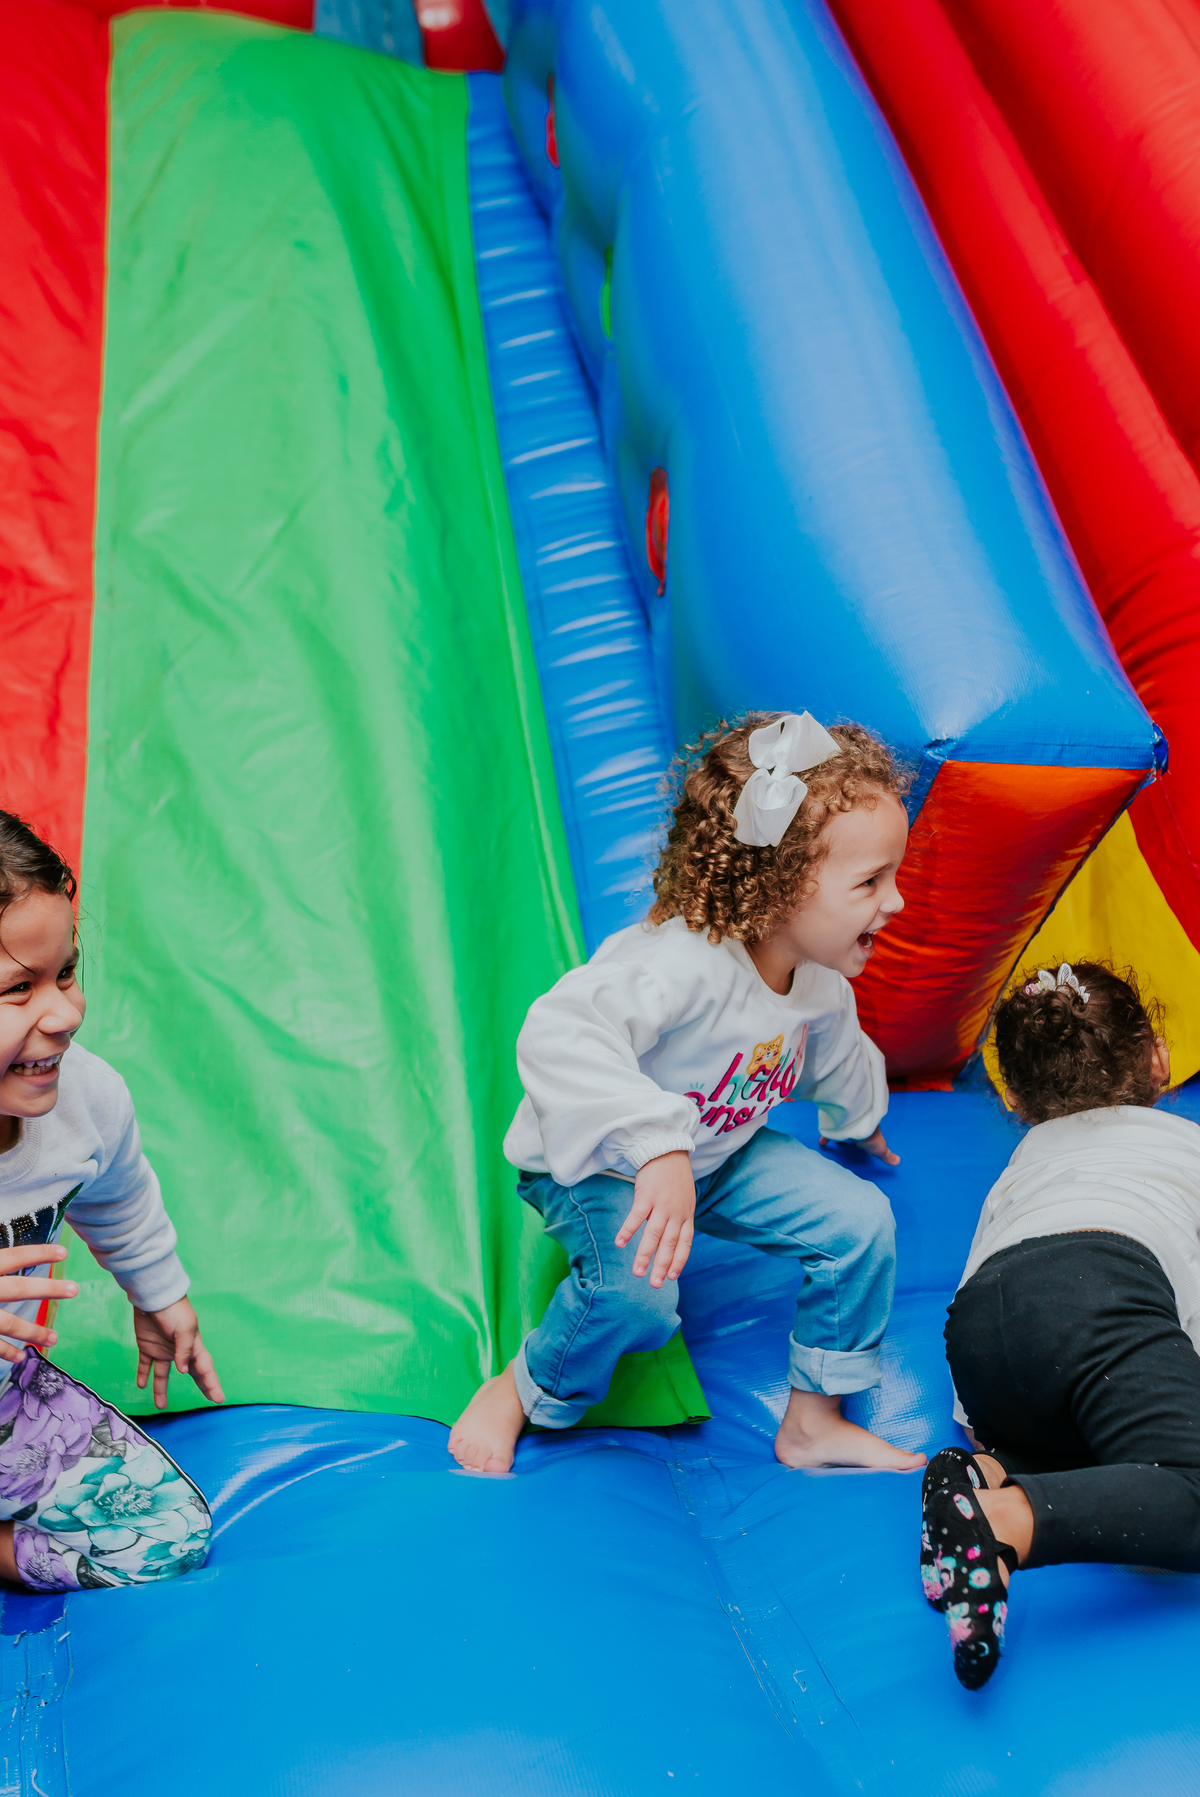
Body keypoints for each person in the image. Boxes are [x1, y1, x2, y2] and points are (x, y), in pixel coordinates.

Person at [450, 709, 925, 1477]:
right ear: (776, 887)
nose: (895, 901)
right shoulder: (682, 966)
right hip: (603, 1160)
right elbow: (559, 1031)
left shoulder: (821, 983)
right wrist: (656, 1145)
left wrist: (858, 1119)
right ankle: (522, 1387)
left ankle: (813, 1420)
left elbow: (835, 1058)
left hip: (715, 1153)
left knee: (860, 1222)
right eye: (872, 881)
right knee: (639, 1298)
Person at [922, 960, 1200, 1690]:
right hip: (1106, 1286)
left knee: (1089, 1411)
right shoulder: (1187, 1150)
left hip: (981, 1332)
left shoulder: (1021, 1166)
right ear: (1160, 1059)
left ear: (1014, 1096)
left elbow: (984, 1272)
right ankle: (1007, 1521)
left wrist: (982, 1434)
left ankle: (980, 1474)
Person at [0, 810, 219, 1593]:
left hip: (7, 1416)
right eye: (17, 990)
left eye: (64, 973)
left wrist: (160, 1292)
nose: (62, 1013)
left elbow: (118, 1193)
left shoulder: (83, 1097)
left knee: (168, 1534)